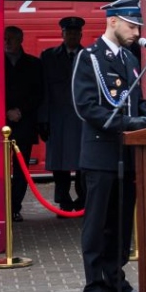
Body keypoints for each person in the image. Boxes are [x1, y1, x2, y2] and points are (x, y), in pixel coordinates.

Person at [71, 0, 146, 292]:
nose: (137, 33)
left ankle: (115, 282)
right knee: (97, 225)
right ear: (113, 21)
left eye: (138, 27)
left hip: (128, 154)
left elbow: (137, 101)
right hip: (101, 154)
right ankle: (94, 287)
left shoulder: (129, 58)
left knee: (121, 225)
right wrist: (126, 123)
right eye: (132, 26)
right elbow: (85, 106)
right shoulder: (90, 58)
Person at [39, 16, 87, 214]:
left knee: (84, 162)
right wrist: (43, 120)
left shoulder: (89, 55)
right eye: (69, 32)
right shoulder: (48, 56)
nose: (72, 36)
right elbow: (42, 89)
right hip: (57, 117)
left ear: (81, 35)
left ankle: (83, 199)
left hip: (82, 118)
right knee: (60, 164)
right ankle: (63, 201)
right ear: (62, 34)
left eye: (76, 33)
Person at [4, 25, 44, 223]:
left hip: (24, 122)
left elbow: (39, 93)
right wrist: (6, 111)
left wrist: (20, 111)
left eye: (11, 38)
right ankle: (0, 207)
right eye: (5, 38)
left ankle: (14, 207)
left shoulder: (34, 64)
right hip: (0, 123)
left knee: (21, 169)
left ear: (21, 40)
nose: (7, 42)